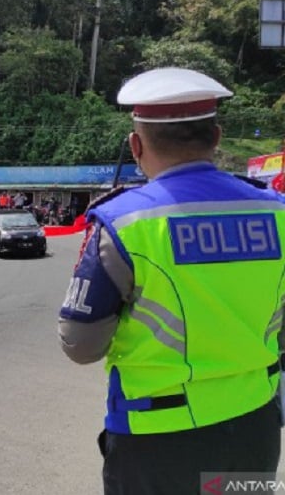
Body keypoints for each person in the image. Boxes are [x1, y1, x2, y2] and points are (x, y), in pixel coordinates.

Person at [57, 67, 285, 495]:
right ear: (216, 137)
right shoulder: (278, 213)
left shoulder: (124, 222)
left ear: (136, 145)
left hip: (158, 440)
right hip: (255, 428)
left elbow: (80, 344)